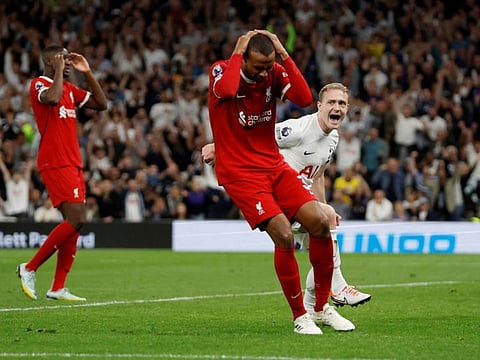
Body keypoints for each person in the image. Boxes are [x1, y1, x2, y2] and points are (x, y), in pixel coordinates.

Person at [206, 30, 353, 335]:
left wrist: (282, 54)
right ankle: (300, 316)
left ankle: (321, 308)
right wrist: (238, 48)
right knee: (284, 235)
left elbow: (303, 97)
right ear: (243, 56)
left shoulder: (272, 70)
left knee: (320, 222)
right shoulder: (222, 70)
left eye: (268, 66)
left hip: (273, 164)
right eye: (258, 66)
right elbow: (230, 89)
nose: (264, 73)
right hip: (240, 173)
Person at [204, 82, 371, 311]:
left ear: (348, 108)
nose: (337, 107)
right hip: (277, 198)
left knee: (323, 249)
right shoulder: (298, 129)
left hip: (302, 204)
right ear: (320, 106)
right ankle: (338, 288)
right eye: (332, 102)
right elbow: (255, 136)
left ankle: (315, 308)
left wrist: (319, 208)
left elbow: (318, 175)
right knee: (328, 224)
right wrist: (218, 146)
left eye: (342, 103)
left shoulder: (333, 138)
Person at [17, 45, 107, 301]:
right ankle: (30, 267)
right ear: (50, 60)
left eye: (69, 60)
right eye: (63, 58)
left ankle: (57, 287)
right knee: (77, 218)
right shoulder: (39, 84)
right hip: (55, 161)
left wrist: (87, 72)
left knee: (75, 223)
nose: (68, 63)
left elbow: (102, 104)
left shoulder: (69, 89)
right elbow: (52, 99)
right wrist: (57, 71)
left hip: (73, 162)